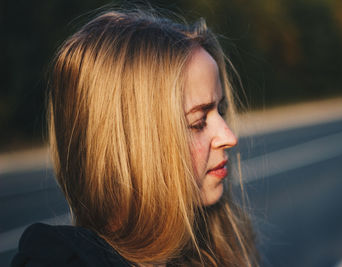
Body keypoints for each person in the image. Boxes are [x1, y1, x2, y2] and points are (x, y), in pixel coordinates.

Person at [12, 7, 259, 267]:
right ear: (130, 145)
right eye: (198, 123)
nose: (229, 137)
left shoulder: (207, 250)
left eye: (221, 111)